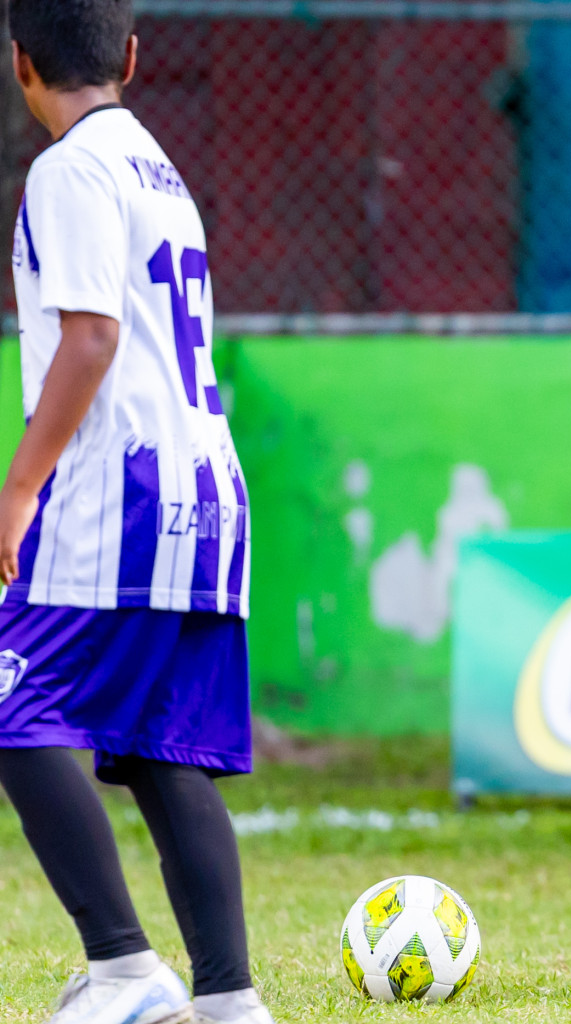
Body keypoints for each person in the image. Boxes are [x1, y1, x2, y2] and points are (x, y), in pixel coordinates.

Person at [0, 2, 269, 1022]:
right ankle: (229, 995)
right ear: (132, 56)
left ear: (19, 62)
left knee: (12, 711)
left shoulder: (70, 169)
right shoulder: (159, 165)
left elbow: (90, 340)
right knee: (162, 749)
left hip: (118, 488)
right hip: (207, 492)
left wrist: (20, 483)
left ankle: (120, 963)